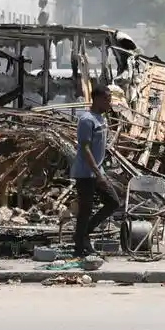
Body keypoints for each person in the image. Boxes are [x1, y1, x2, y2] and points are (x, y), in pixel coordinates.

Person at [70, 84, 120, 257]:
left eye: (110, 99)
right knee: (85, 209)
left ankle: (83, 235)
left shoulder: (102, 118)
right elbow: (85, 148)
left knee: (113, 202)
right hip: (85, 173)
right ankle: (79, 247)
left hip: (98, 171)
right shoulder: (86, 120)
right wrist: (97, 174)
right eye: (107, 99)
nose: (109, 103)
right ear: (97, 99)